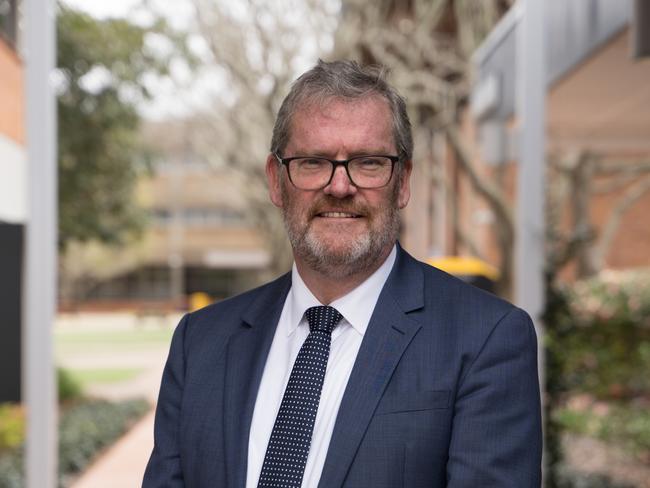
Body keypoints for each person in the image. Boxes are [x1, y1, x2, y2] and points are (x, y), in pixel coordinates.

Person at [143, 59, 542, 488]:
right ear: (277, 181)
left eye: (368, 162)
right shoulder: (200, 342)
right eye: (313, 162)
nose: (339, 186)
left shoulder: (486, 339)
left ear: (402, 181)